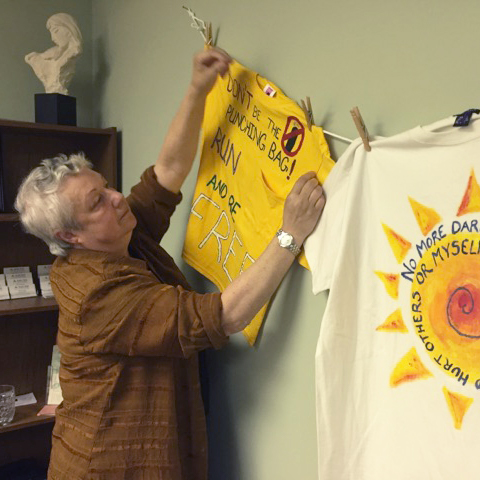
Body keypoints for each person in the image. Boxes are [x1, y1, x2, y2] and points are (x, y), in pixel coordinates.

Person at [15, 48, 326, 480]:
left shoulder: (118, 234)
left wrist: (199, 87)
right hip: (104, 464)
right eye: (97, 202)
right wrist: (290, 236)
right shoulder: (97, 293)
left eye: (106, 187)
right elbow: (223, 314)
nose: (116, 198)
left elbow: (167, 172)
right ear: (70, 236)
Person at [25, 13, 83, 95]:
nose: (53, 38)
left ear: (69, 29)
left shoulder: (72, 54)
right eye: (51, 33)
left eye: (56, 31)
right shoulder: (51, 53)